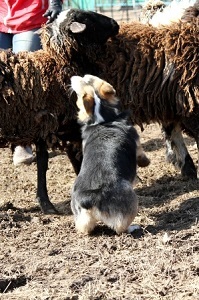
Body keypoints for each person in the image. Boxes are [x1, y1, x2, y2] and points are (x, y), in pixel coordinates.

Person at [0, 0, 62, 165]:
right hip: (1, 15)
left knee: (23, 80)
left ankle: (22, 142)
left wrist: (55, 2)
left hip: (31, 17)